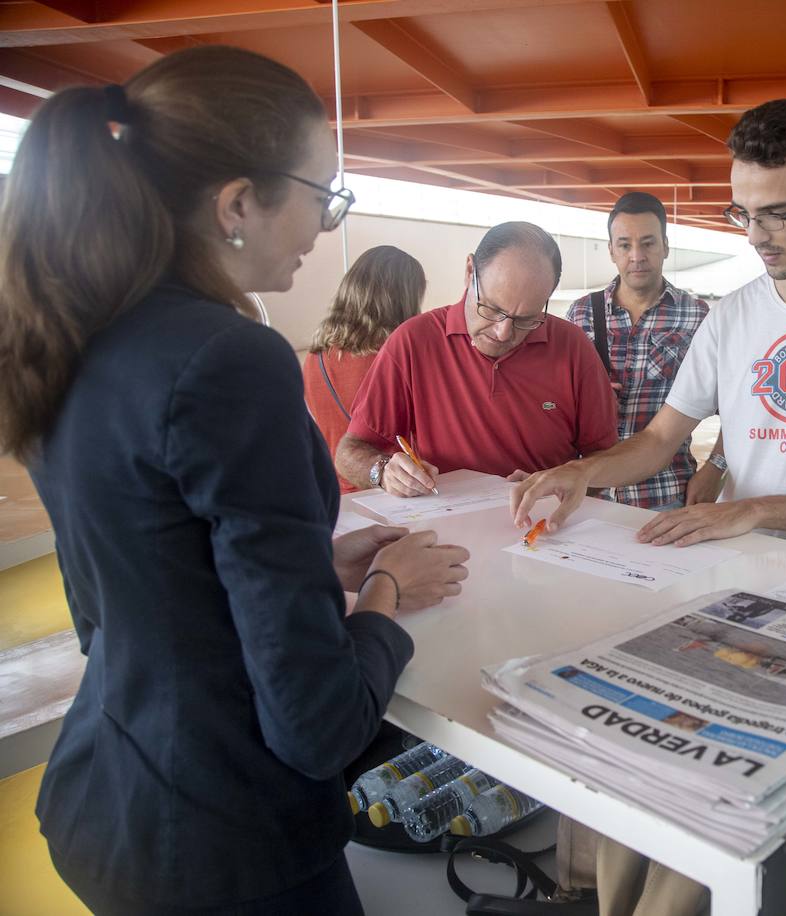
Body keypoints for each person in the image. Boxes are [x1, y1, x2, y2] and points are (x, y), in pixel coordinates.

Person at [0, 46, 468, 912]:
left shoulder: (71, 336)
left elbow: (117, 606)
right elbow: (317, 723)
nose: (324, 228)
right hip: (229, 848)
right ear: (238, 205)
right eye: (323, 197)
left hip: (110, 799)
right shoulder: (229, 358)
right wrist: (385, 596)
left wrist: (314, 571)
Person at [512, 97, 786, 915]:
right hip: (726, 594)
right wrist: (583, 470)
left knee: (717, 832)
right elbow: (659, 439)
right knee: (630, 787)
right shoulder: (734, 317)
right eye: (741, 213)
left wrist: (750, 509)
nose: (755, 235)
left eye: (778, 213)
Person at [335, 221, 619, 496]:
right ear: (470, 271)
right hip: (446, 532)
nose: (503, 331)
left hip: (547, 531)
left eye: (526, 319)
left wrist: (567, 482)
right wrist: (383, 471)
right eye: (492, 308)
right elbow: (349, 451)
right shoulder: (413, 342)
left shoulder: (573, 346)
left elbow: (607, 461)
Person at [566, 192, 711, 511]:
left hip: (665, 494)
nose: (637, 256)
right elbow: (553, 400)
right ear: (611, 250)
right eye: (625, 245)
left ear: (665, 247)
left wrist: (717, 467)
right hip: (589, 495)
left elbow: (737, 404)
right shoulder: (581, 315)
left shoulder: (697, 317)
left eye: (648, 243)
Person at [304, 244, 425, 493]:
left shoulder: (315, 358)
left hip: (338, 495)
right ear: (404, 299)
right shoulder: (394, 359)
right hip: (391, 495)